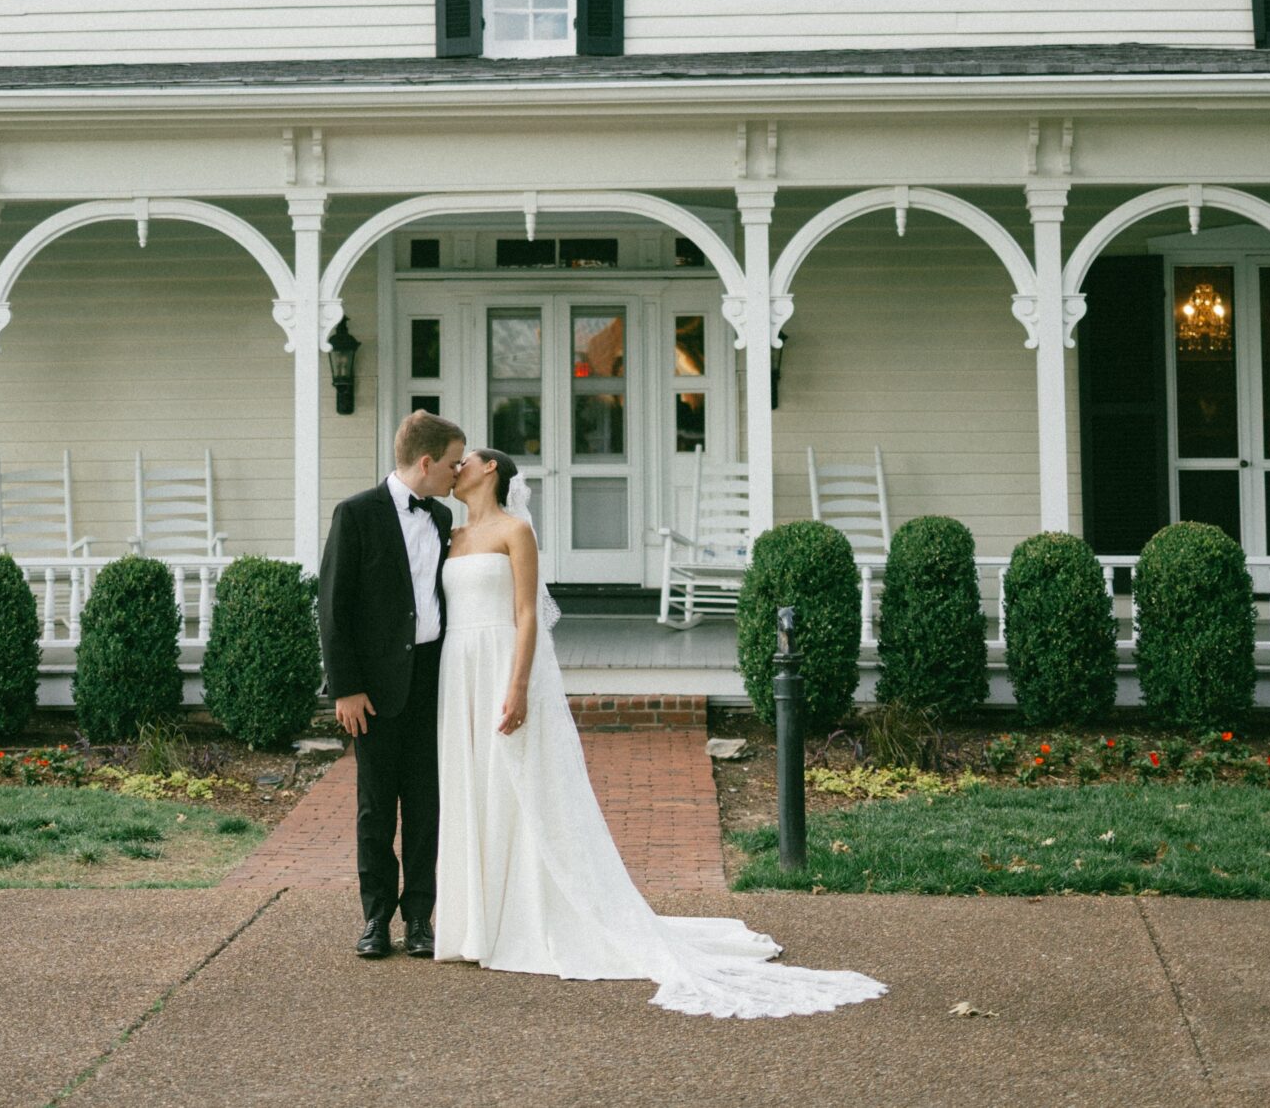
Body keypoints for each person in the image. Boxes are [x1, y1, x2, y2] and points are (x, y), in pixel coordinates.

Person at [430, 445, 888, 1019]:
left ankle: (524, 911)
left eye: (465, 459)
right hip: (459, 671)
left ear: (490, 469)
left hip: (501, 663)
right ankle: (476, 919)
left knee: (517, 784)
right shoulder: (448, 534)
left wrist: (518, 685)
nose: (455, 468)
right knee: (474, 785)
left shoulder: (516, 531)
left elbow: (526, 615)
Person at [316, 409, 465, 961]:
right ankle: (376, 917)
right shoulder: (356, 515)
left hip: (433, 679)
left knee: (427, 804)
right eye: (452, 463)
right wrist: (346, 688)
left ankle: (420, 918)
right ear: (426, 462)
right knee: (376, 806)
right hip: (374, 689)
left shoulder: (444, 518)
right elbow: (333, 609)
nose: (458, 472)